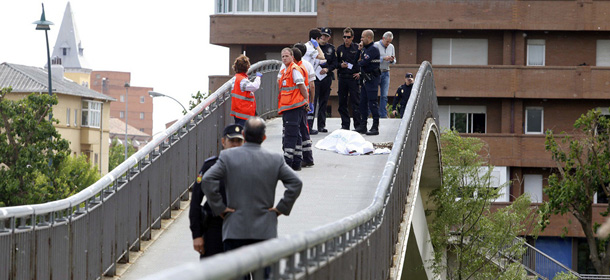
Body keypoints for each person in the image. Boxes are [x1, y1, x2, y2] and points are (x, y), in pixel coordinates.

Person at [201, 117, 302, 256]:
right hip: (265, 231)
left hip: (235, 230)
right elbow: (296, 183)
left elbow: (207, 179)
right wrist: (280, 208)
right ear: (264, 137)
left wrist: (220, 208)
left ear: (243, 135)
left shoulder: (227, 156)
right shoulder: (275, 159)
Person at [189, 124, 244, 258]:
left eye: (239, 141)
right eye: (232, 141)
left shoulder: (251, 166)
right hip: (214, 229)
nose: (235, 145)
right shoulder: (210, 166)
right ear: (223, 142)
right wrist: (196, 235)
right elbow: (196, 201)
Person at [277, 47, 310, 170]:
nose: (284, 58)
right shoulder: (286, 71)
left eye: (286, 56)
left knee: (290, 135)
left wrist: (306, 101)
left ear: (292, 57)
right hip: (288, 107)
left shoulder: (294, 69)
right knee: (294, 134)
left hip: (294, 107)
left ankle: (288, 162)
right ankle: (296, 162)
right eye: (282, 56)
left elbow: (301, 85)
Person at [355, 29, 381, 136]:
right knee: (362, 103)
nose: (361, 39)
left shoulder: (373, 49)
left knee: (372, 103)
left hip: (372, 80)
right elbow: (356, 61)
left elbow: (362, 63)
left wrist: (360, 60)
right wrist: (359, 50)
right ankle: (363, 125)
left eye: (362, 37)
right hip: (365, 80)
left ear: (369, 38)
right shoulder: (365, 49)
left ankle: (375, 126)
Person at [336, 27, 361, 130]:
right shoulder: (340, 49)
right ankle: (345, 124)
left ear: (352, 37)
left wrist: (360, 73)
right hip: (343, 78)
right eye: (344, 37)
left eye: (348, 37)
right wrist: (340, 65)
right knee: (342, 102)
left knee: (355, 102)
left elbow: (362, 62)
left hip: (353, 78)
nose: (346, 39)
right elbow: (335, 62)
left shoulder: (357, 48)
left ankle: (358, 125)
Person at [313, 27, 337, 133]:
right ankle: (309, 125)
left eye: (326, 36)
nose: (323, 37)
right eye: (322, 35)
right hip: (314, 78)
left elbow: (335, 63)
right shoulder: (313, 48)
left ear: (329, 38)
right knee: (313, 102)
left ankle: (321, 125)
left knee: (323, 102)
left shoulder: (331, 48)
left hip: (326, 78)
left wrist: (328, 69)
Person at [229, 55, 262, 126]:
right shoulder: (242, 80)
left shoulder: (236, 78)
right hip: (244, 113)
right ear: (247, 67)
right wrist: (258, 77)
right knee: (245, 133)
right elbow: (255, 86)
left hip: (237, 112)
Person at [374, 31, 396, 118]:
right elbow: (373, 59)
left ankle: (383, 115)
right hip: (376, 72)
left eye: (390, 42)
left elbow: (394, 61)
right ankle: (371, 113)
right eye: (387, 42)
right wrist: (383, 58)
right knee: (373, 94)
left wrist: (391, 60)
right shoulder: (376, 45)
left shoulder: (391, 47)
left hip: (386, 72)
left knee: (384, 95)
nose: (388, 44)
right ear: (383, 39)